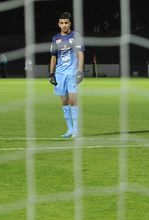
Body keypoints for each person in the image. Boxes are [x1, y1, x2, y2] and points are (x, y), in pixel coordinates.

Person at [49, 11, 85, 139]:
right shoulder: (55, 39)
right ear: (59, 24)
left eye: (66, 23)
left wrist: (80, 71)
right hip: (59, 74)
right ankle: (69, 129)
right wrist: (51, 74)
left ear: (70, 23)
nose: (64, 25)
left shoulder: (76, 37)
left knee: (73, 100)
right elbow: (53, 57)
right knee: (64, 101)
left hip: (72, 73)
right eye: (62, 23)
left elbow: (81, 54)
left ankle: (76, 129)